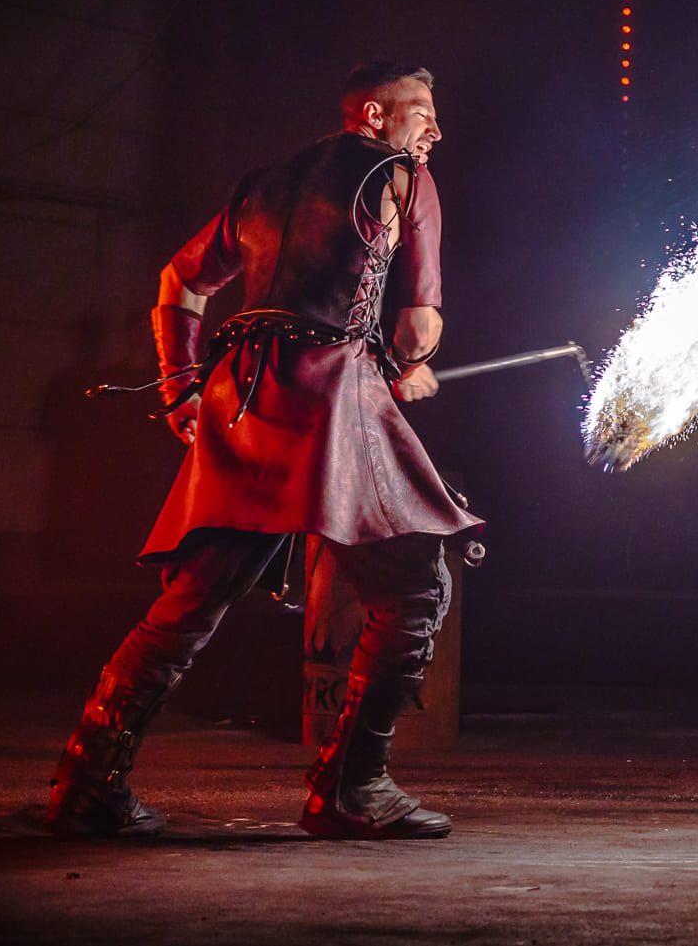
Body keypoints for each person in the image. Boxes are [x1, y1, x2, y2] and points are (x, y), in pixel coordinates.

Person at [46, 63, 481, 840]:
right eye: (423, 113)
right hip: (330, 401)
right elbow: (417, 326)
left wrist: (182, 390)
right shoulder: (404, 175)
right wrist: (412, 365)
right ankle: (351, 786)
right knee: (415, 590)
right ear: (377, 115)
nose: (435, 131)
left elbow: (179, 281)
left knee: (186, 607)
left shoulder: (263, 182)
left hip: (239, 397)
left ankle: (86, 781)